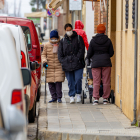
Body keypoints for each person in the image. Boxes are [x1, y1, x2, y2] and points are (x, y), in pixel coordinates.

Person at [86, 24, 114, 105]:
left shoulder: (93, 40)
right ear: (104, 31)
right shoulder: (108, 40)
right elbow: (111, 53)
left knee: (96, 81)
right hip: (106, 62)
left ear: (97, 31)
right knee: (106, 81)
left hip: (96, 63)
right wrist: (105, 55)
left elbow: (89, 53)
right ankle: (105, 98)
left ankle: (96, 98)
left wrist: (91, 58)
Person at [58, 23, 85, 104]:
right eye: (67, 30)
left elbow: (82, 50)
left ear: (72, 29)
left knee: (78, 79)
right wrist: (63, 61)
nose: (69, 31)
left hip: (78, 63)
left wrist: (77, 58)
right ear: (65, 31)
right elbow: (60, 53)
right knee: (70, 81)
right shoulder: (63, 40)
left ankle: (78, 94)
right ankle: (72, 96)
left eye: (70, 30)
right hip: (67, 64)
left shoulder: (78, 38)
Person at [42, 30, 65, 103]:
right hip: (49, 66)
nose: (54, 39)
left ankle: (59, 97)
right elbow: (43, 55)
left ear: (58, 37)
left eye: (55, 38)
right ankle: (53, 97)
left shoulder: (61, 44)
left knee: (58, 83)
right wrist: (44, 61)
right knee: (50, 83)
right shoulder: (46, 45)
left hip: (59, 66)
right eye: (52, 38)